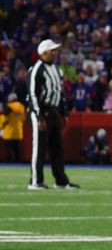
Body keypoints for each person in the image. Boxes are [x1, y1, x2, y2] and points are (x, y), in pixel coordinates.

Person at [27, 39, 79, 190]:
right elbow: (33, 95)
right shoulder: (36, 69)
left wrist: (64, 113)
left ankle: (61, 181)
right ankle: (35, 181)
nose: (55, 53)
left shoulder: (57, 69)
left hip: (54, 111)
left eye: (56, 50)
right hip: (41, 111)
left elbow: (60, 93)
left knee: (57, 147)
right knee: (39, 147)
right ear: (43, 53)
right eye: (52, 50)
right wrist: (38, 116)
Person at [2, 93, 25, 162]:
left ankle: (10, 162)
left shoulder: (8, 107)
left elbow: (4, 119)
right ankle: (19, 162)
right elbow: (24, 119)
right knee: (17, 149)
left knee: (9, 149)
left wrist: (1, 126)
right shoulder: (22, 106)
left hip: (9, 132)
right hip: (18, 132)